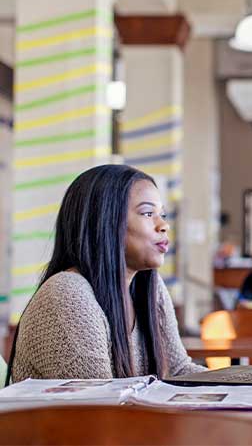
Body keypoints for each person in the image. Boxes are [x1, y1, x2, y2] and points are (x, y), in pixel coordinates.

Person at [8, 164, 205, 383]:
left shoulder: (148, 285)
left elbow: (177, 371)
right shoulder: (67, 293)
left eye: (162, 214)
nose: (164, 225)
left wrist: (245, 383)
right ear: (104, 221)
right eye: (148, 213)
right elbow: (100, 405)